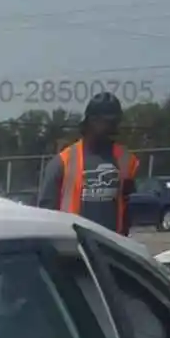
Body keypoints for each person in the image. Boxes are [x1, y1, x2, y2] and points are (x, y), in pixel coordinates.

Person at [35, 92, 141, 234]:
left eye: (115, 123)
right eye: (107, 123)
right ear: (91, 121)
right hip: (73, 246)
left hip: (113, 246)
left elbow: (128, 207)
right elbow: (46, 213)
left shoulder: (126, 160)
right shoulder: (62, 162)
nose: (112, 128)